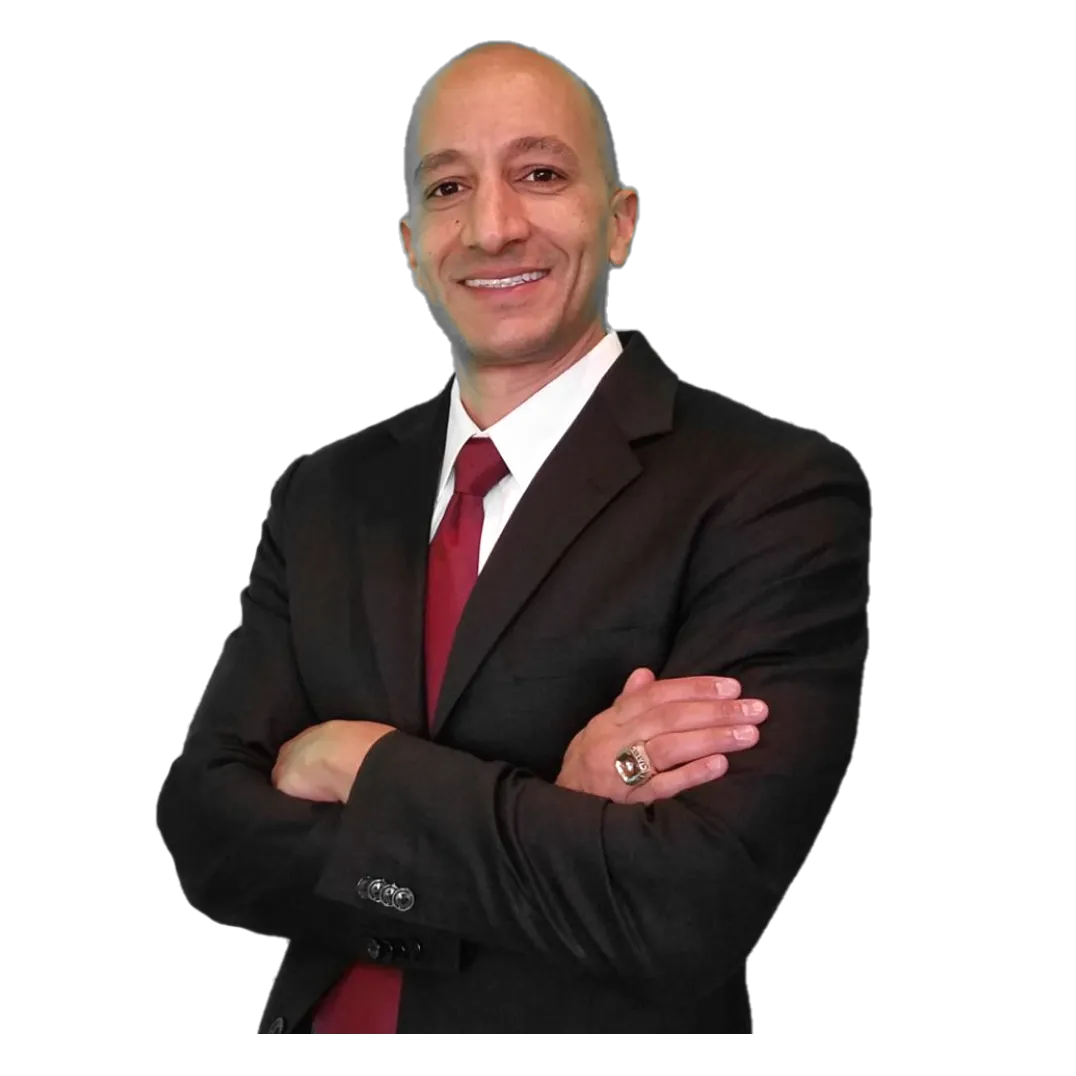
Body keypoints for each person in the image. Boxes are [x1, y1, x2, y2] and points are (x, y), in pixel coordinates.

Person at [156, 41, 871, 1040]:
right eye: (449, 188)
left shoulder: (772, 489)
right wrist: (555, 805)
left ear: (620, 221)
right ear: (410, 243)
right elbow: (209, 834)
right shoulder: (324, 494)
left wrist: (362, 766)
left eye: (539, 173)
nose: (492, 227)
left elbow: (679, 904)